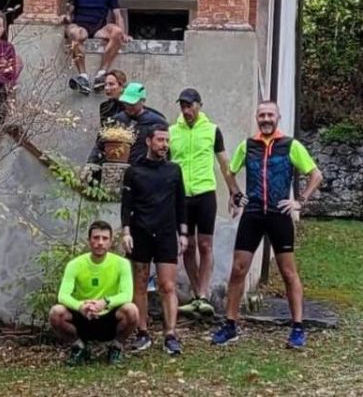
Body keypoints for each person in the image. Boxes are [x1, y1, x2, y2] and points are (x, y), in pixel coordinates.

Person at [212, 101, 323, 350]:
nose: (266, 119)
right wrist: (235, 193)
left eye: (270, 115)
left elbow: (316, 175)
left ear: (278, 117)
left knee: (288, 272)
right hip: (252, 213)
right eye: (262, 115)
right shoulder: (248, 145)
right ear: (256, 117)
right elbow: (229, 170)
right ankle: (230, 324)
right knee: (238, 269)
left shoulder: (291, 145)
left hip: (279, 214)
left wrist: (299, 201)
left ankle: (297, 327)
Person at [121, 127, 188, 356]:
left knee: (167, 286)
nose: (164, 144)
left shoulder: (174, 170)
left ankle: (170, 334)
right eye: (160, 140)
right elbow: (126, 205)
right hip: (140, 232)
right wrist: (126, 232)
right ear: (149, 141)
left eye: (167, 141)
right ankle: (142, 332)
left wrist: (184, 234)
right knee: (139, 284)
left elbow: (181, 204)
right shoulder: (134, 171)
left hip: (167, 233)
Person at [168, 88, 232, 318]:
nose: (186, 110)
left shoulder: (213, 131)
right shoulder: (172, 132)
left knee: (205, 245)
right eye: (182, 106)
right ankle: (197, 296)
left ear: (199, 105)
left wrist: (234, 192)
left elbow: (225, 164)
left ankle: (203, 295)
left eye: (190, 106)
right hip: (182, 197)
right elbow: (166, 166)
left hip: (205, 193)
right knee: (188, 246)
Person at [49, 221, 138, 366]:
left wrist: (105, 302)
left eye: (104, 238)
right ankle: (79, 347)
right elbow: (62, 295)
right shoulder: (75, 264)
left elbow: (127, 295)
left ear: (111, 242)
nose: (100, 242)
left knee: (131, 310)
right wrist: (80, 306)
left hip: (109, 317)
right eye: (96, 238)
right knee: (56, 312)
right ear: (89, 240)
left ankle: (116, 347)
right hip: (84, 316)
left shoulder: (122, 263)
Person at [62, 0, 129, 95]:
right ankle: (83, 77)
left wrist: (124, 34)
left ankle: (101, 73)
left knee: (117, 32)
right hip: (81, 26)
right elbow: (70, 12)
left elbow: (117, 15)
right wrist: (65, 19)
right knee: (74, 33)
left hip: (100, 27)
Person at [91, 82, 168, 166]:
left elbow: (165, 149)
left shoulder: (156, 122)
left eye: (132, 104)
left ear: (142, 101)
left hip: (144, 170)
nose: (128, 106)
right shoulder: (117, 120)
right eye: (126, 103)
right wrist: (91, 164)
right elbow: (100, 145)